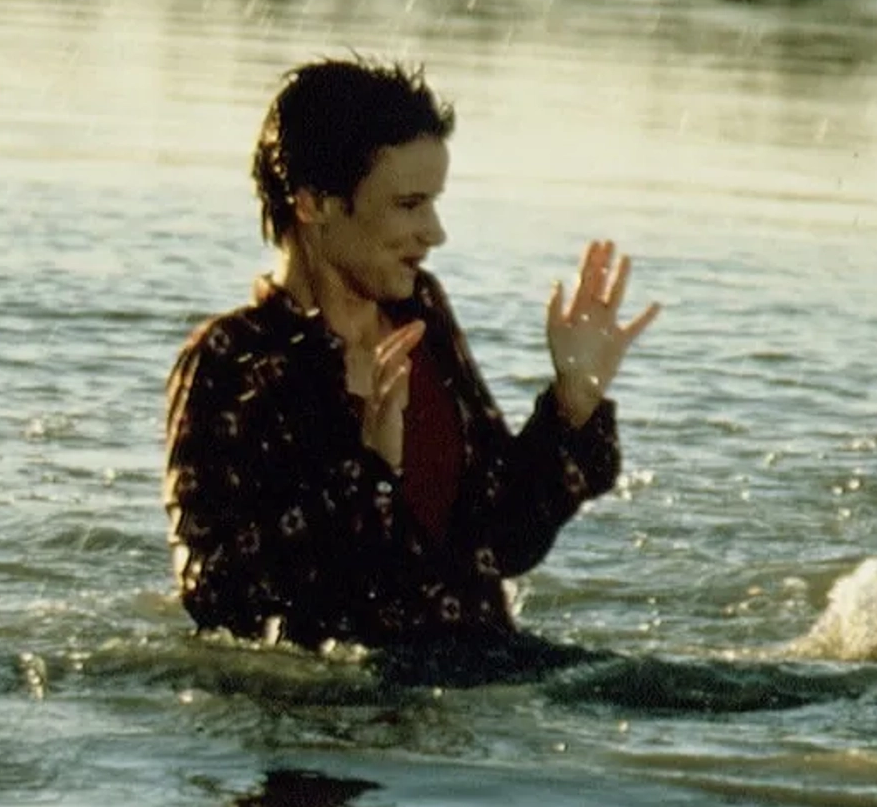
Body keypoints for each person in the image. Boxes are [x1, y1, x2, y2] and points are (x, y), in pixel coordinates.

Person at [163, 56, 659, 682]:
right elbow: (218, 599)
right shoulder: (231, 359)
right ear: (315, 202)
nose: (434, 232)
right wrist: (369, 468)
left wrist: (573, 403)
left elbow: (502, 540)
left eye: (433, 203)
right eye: (408, 205)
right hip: (341, 703)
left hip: (480, 677)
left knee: (754, 700)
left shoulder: (421, 315)